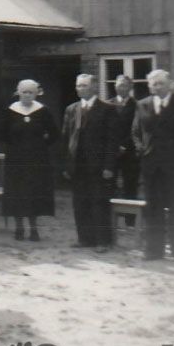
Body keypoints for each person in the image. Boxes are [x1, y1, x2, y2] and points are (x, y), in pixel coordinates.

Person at [132, 69, 174, 262]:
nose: (157, 87)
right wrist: (142, 149)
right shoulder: (142, 105)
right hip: (152, 166)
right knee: (153, 208)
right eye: (153, 84)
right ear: (149, 86)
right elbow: (136, 132)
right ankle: (153, 250)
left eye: (161, 83)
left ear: (170, 85)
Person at [62, 74, 118, 252]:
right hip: (77, 166)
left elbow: (112, 140)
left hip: (99, 166)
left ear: (94, 87)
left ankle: (103, 241)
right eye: (78, 86)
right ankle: (84, 238)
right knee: (80, 202)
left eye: (84, 86)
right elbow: (66, 138)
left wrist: (109, 166)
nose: (80, 89)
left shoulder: (107, 109)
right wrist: (66, 164)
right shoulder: (72, 109)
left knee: (99, 202)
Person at [0, 79, 59, 242]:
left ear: (36, 93)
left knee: (34, 192)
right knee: (17, 192)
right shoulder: (10, 111)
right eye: (24, 92)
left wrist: (41, 145)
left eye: (30, 92)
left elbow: (54, 133)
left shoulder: (43, 111)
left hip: (37, 160)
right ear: (18, 92)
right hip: (15, 160)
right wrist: (13, 148)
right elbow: (2, 134)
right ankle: (19, 227)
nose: (27, 95)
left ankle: (34, 229)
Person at [112, 75, 140, 224]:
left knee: (130, 184)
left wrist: (124, 145)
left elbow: (136, 129)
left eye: (124, 85)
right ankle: (112, 219)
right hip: (112, 151)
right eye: (118, 85)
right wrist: (114, 146)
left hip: (130, 152)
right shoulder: (109, 104)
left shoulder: (137, 105)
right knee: (111, 184)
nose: (120, 88)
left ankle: (130, 220)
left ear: (130, 88)